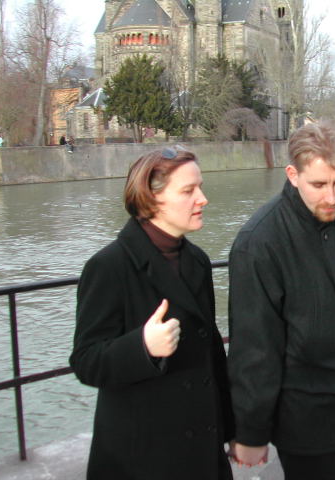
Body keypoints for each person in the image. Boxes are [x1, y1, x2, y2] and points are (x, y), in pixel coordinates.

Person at [227, 121, 335, 480]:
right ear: (292, 175)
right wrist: (251, 432)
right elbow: (254, 347)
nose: (332, 197)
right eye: (318, 185)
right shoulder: (260, 242)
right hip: (304, 416)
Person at [69, 147, 234, 479]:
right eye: (188, 191)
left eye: (200, 187)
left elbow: (212, 353)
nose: (202, 199)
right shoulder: (109, 266)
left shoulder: (197, 260)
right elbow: (86, 362)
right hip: (142, 456)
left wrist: (231, 429)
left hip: (201, 446)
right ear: (152, 197)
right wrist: (142, 347)